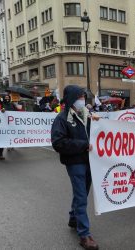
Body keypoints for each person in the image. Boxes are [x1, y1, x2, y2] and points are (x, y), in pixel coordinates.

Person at [51, 85, 99, 250]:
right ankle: (84, 235)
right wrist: (83, 145)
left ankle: (73, 218)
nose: (82, 100)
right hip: (75, 162)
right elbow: (58, 143)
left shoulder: (88, 116)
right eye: (79, 97)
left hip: (89, 161)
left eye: (83, 97)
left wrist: (100, 124)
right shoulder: (62, 119)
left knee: (83, 193)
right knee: (80, 197)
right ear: (71, 98)